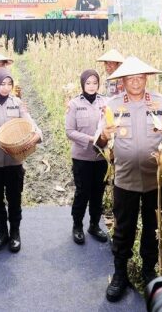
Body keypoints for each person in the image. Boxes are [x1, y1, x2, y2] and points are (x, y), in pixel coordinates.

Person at [95, 56, 162, 302]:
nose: (135, 82)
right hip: (125, 180)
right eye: (130, 78)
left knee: (152, 227)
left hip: (156, 181)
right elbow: (98, 144)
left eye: (139, 78)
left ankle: (148, 269)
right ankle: (120, 273)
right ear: (122, 81)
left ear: (146, 79)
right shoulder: (112, 105)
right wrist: (103, 136)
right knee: (123, 229)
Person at [0, 68, 42, 254]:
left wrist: (37, 135)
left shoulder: (17, 103)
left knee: (14, 199)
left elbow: (30, 123)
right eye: (2, 84)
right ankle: (2, 233)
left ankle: (15, 234)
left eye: (9, 84)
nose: (6, 88)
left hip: (14, 161)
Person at [64, 70, 110, 245]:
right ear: (82, 84)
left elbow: (111, 125)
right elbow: (70, 132)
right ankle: (77, 226)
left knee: (98, 192)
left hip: (101, 157)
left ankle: (94, 225)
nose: (91, 86)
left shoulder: (105, 102)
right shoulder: (74, 104)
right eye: (88, 83)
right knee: (82, 192)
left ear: (99, 84)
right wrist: (91, 139)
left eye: (95, 83)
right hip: (82, 157)